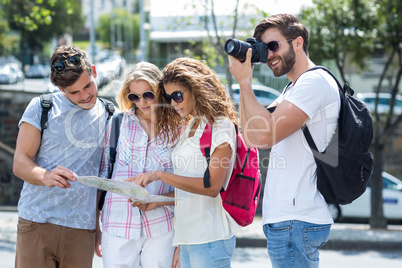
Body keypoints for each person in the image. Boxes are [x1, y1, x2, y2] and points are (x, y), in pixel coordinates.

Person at [228, 14, 340, 267]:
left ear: (298, 43)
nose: (268, 55)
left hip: (296, 220)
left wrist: (245, 83)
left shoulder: (314, 83)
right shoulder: (294, 88)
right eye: (263, 49)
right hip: (287, 221)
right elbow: (252, 136)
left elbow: (265, 135)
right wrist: (244, 80)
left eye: (273, 46)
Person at [129, 57, 241, 268]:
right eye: (169, 97)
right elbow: (188, 190)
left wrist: (160, 175)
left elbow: (211, 187)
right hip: (188, 238)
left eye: (178, 96)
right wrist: (158, 200)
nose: (172, 103)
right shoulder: (191, 126)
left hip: (210, 238)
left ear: (196, 89)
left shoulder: (221, 126)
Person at [13, 45, 110, 268]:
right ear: (59, 87)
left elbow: (100, 178)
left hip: (81, 229)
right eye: (74, 92)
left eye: (88, 86)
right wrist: (45, 176)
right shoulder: (41, 107)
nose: (85, 96)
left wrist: (96, 227)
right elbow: (20, 162)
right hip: (37, 222)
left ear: (94, 71)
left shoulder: (109, 114)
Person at [98, 62, 177, 268]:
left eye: (148, 95)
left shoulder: (177, 127)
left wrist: (181, 242)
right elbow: (104, 173)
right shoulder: (117, 124)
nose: (142, 102)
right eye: (134, 96)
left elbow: (184, 183)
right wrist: (95, 227)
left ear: (159, 91)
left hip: (162, 225)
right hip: (117, 224)